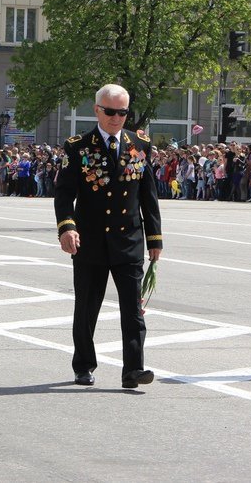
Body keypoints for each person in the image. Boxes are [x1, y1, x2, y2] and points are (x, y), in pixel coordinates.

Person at [55, 83, 163, 389]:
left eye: (123, 112)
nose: (117, 118)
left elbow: (148, 196)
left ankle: (133, 369)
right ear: (97, 110)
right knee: (87, 307)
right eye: (111, 112)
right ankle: (84, 364)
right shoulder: (78, 146)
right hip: (90, 240)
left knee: (133, 309)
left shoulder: (139, 145)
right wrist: (67, 227)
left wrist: (155, 240)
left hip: (128, 239)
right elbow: (64, 194)